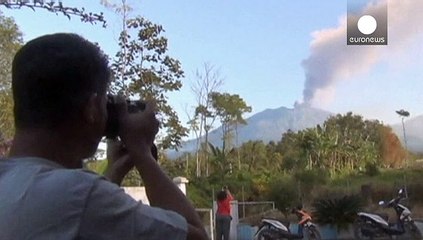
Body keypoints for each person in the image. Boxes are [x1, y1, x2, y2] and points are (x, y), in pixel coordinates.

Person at [0, 33, 209, 240]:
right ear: (91, 109)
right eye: (105, 102)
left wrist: (114, 172)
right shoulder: (79, 193)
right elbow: (197, 236)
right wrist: (141, 152)